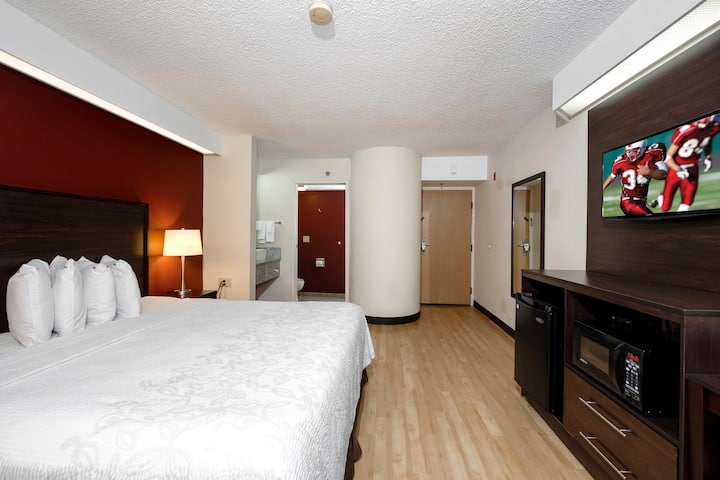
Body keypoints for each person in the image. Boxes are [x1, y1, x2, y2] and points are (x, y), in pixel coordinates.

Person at [652, 115, 720, 212]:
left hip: (692, 167)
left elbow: (708, 140)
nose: (704, 118)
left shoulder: (714, 127)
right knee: (665, 207)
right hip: (676, 168)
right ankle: (661, 197)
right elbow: (668, 157)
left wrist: (708, 157)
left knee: (686, 205)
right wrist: (678, 169)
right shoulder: (686, 130)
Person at [603, 140, 668, 216]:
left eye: (634, 151)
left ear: (642, 149)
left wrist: (650, 172)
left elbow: (664, 174)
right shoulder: (620, 162)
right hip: (628, 201)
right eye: (628, 151)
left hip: (641, 201)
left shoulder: (651, 154)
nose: (630, 154)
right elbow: (612, 176)